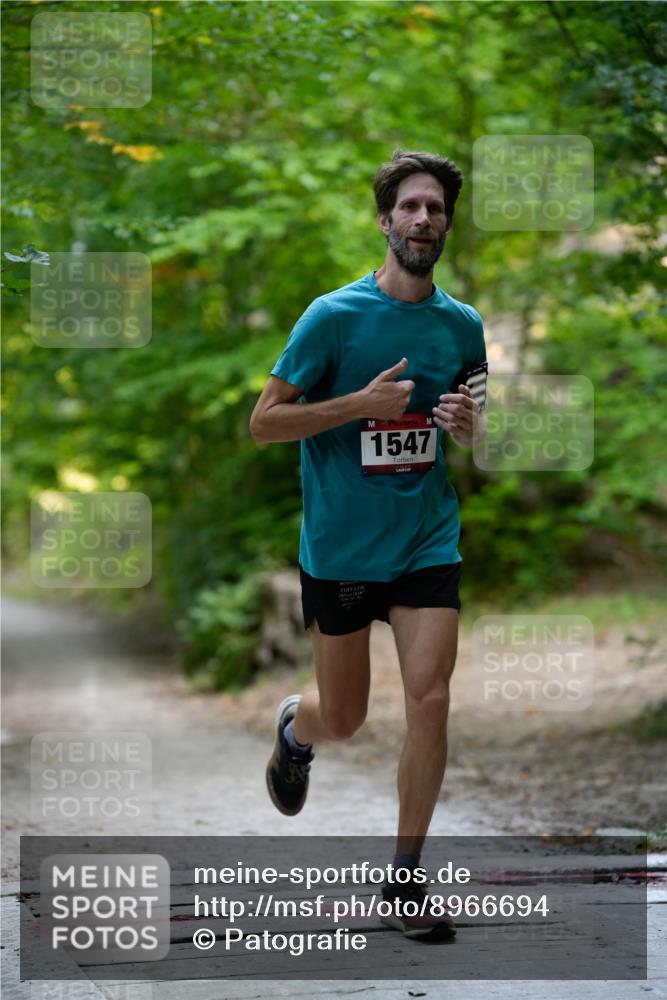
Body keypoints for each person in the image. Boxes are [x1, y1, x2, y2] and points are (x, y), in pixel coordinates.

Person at [250, 150, 487, 940]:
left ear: (446, 224)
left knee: (429, 697)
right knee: (343, 718)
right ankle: (296, 728)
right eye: (411, 207)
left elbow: (473, 426)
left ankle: (405, 881)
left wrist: (469, 428)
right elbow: (263, 422)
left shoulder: (462, 325)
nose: (424, 219)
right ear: (385, 220)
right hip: (343, 546)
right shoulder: (333, 318)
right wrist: (356, 403)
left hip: (425, 536)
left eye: (436, 209)